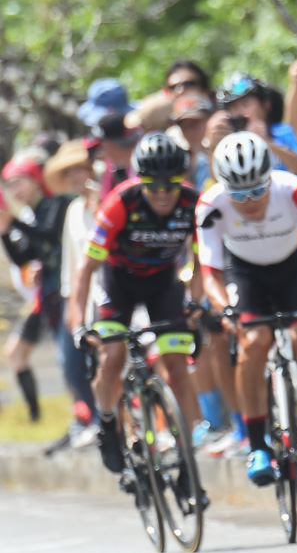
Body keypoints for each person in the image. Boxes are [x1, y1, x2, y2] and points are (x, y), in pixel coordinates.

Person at [197, 132, 297, 483]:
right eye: (239, 194)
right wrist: (224, 308)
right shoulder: (210, 205)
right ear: (223, 187)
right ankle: (257, 445)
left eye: (257, 190)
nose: (249, 202)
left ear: (270, 178)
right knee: (254, 344)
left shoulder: (293, 190)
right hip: (244, 275)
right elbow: (211, 274)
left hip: (291, 272)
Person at [68, 133, 202, 484]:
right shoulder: (119, 203)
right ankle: (108, 423)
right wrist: (78, 325)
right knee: (112, 359)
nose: (161, 193)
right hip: (118, 283)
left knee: (176, 365)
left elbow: (204, 261)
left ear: (181, 180)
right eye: (152, 185)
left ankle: (187, 461)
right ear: (139, 180)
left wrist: (196, 303)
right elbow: (85, 271)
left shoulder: (193, 203)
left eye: (170, 184)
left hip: (163, 284)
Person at [0, 153, 74, 423]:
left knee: (73, 358)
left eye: (19, 182)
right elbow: (24, 258)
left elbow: (49, 234)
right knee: (64, 359)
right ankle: (75, 417)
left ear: (35, 179)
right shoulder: (31, 214)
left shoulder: (55, 203)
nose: (15, 190)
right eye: (10, 185)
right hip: (49, 296)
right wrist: (5, 231)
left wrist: (14, 223)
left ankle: (87, 418)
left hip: (67, 291)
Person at [47, 140, 101, 446]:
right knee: (71, 361)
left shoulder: (106, 203)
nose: (75, 179)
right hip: (80, 297)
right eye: (69, 174)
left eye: (79, 170)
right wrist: (71, 304)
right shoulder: (73, 210)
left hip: (108, 294)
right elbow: (70, 263)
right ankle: (93, 418)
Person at [216, 73, 297, 184]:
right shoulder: (228, 145)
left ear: (265, 105)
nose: (241, 113)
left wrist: (266, 142)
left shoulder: (283, 133)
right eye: (233, 107)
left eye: (246, 104)